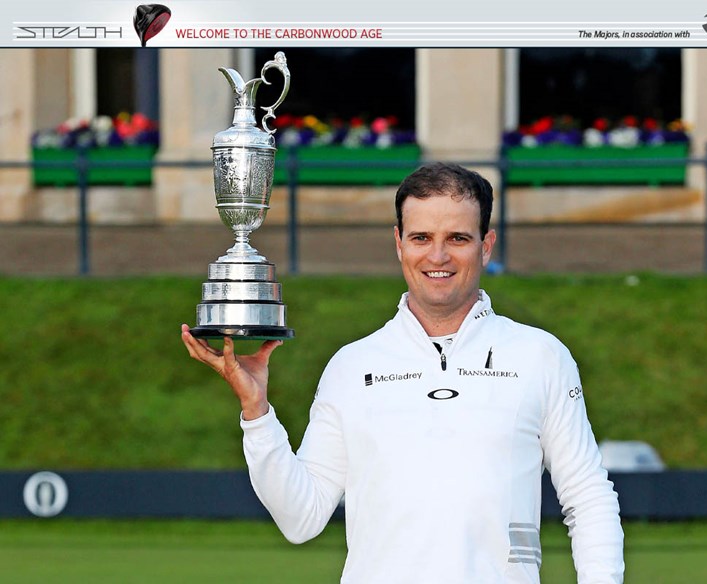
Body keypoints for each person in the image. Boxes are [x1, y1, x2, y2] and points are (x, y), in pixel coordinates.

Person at [181, 162, 624, 583]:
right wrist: (256, 412)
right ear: (399, 243)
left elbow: (588, 498)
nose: (438, 255)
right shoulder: (353, 366)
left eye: (457, 238)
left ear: (486, 245)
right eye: (421, 237)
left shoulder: (539, 356)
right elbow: (301, 517)